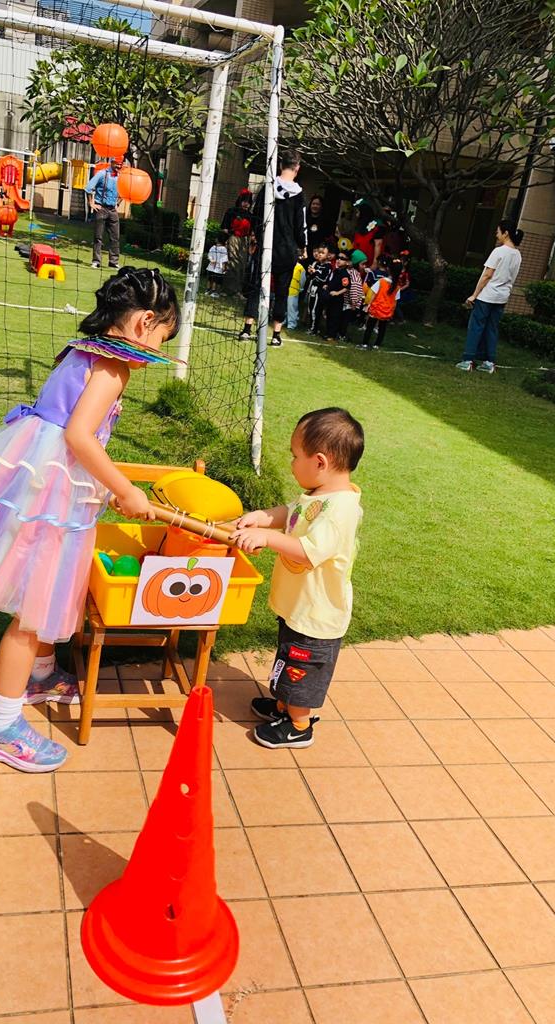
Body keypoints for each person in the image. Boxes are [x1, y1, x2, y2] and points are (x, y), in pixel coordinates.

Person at [0, 268, 180, 772]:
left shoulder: (82, 350)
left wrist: (103, 484)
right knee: (31, 606)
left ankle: (40, 672)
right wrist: (125, 489)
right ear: (145, 322)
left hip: (41, 477)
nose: (157, 349)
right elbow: (79, 436)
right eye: (161, 338)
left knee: (44, 584)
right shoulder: (114, 368)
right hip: (53, 487)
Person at [230, 408, 364, 749]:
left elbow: (307, 552)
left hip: (317, 616)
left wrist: (266, 538)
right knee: (289, 656)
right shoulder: (319, 496)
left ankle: (299, 723)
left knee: (301, 669)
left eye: (295, 456)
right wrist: (262, 518)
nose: (291, 463)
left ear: (319, 462)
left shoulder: (341, 510)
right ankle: (283, 705)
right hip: (300, 607)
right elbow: (291, 513)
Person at [238, 149, 307, 347]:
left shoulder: (268, 186)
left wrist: (256, 237)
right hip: (287, 250)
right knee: (282, 291)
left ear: (281, 165)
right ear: (297, 168)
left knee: (256, 286)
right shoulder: (299, 194)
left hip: (266, 246)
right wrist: (302, 246)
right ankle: (276, 334)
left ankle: (247, 329)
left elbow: (256, 215)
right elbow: (300, 224)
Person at [457, 220, 524, 374]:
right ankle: (489, 362)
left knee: (476, 326)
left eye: (498, 232)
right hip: (502, 297)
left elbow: (487, 275)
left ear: (506, 233)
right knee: (492, 328)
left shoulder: (499, 251)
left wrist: (474, 295)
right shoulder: (517, 255)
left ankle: (468, 360)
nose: (496, 234)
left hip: (487, 295)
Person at [85, 158, 124, 270]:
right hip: (101, 209)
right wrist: (91, 203)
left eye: (121, 164)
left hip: (113, 210)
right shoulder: (102, 174)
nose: (119, 166)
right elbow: (88, 188)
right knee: (98, 237)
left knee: (115, 237)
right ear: (112, 163)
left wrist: (118, 203)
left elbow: (124, 191)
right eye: (117, 164)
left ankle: (113, 262)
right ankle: (96, 261)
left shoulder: (120, 177)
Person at [360, 257, 402, 349]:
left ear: (388, 269)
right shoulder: (397, 286)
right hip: (387, 311)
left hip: (376, 309)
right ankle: (377, 345)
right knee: (382, 328)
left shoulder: (382, 281)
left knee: (369, 327)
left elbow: (373, 294)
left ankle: (365, 343)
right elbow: (395, 301)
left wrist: (368, 305)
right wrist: (392, 311)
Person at [220, 188, 253, 295]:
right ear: (240, 201)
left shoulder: (250, 216)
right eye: (244, 201)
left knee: (242, 265)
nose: (246, 204)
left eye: (248, 202)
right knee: (232, 263)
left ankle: (238, 290)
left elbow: (251, 232)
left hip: (245, 241)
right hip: (232, 238)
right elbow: (224, 228)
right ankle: (227, 289)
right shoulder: (231, 211)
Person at [304, 243, 332, 335]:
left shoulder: (328, 266)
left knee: (315, 310)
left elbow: (324, 279)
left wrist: (315, 272)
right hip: (312, 289)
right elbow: (311, 277)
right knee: (310, 309)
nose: (319, 254)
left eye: (323, 253)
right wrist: (310, 272)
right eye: (319, 252)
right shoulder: (316, 264)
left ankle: (314, 329)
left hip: (319, 291)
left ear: (328, 255)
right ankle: (311, 327)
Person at [324, 250, 352, 341]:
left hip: (338, 299)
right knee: (329, 314)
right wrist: (327, 286)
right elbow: (332, 281)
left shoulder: (345, 274)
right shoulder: (336, 271)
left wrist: (337, 293)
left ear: (347, 262)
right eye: (338, 258)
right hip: (330, 297)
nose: (339, 260)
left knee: (334, 316)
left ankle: (332, 335)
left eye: (342, 259)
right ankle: (328, 333)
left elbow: (347, 287)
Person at [305, 194, 331, 260]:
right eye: (313, 204)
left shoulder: (326, 220)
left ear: (321, 206)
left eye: (318, 204)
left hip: (317, 252)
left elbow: (327, 236)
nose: (315, 206)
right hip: (304, 248)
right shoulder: (304, 217)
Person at [206, 233, 229, 297]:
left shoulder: (213, 247)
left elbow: (209, 255)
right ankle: (214, 292)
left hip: (211, 266)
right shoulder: (224, 249)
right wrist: (224, 268)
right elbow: (224, 259)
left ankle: (207, 290)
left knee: (210, 279)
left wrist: (211, 260)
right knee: (216, 280)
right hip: (219, 268)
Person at [286, 260, 306, 330]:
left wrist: (300, 288)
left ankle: (292, 324)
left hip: (294, 290)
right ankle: (285, 321)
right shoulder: (288, 264)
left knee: (292, 308)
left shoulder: (300, 267)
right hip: (286, 288)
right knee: (286, 307)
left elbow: (303, 279)